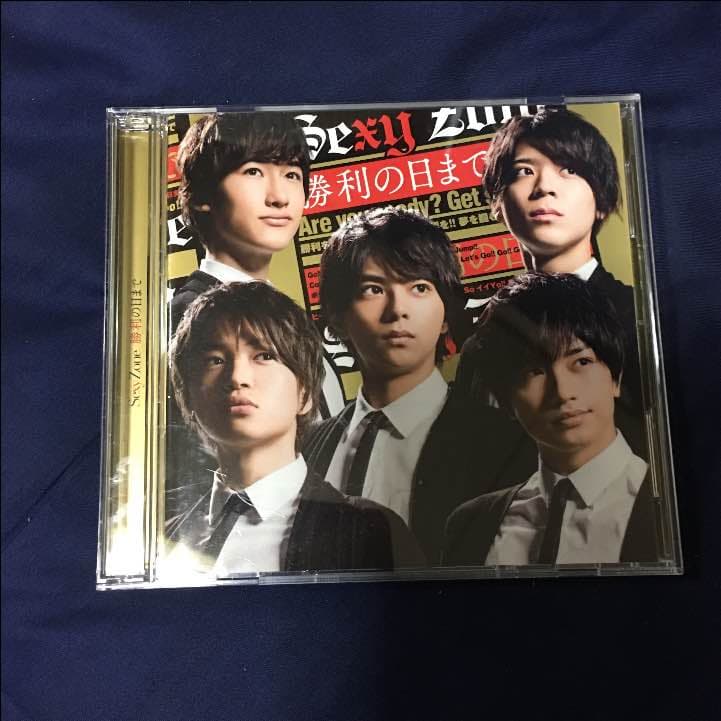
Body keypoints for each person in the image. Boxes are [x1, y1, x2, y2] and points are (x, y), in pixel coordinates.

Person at [303, 207, 536, 564]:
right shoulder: (307, 446)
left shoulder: (506, 445)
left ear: (446, 315)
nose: (398, 310)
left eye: (420, 288)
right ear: (337, 317)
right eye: (373, 289)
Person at [165, 282, 421, 576]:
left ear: (305, 393)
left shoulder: (370, 530)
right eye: (215, 360)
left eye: (264, 356)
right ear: (188, 396)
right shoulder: (164, 540)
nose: (237, 377)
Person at [444, 272, 658, 567]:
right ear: (506, 401)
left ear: (615, 378)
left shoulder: (666, 506)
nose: (563, 392)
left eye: (581, 362)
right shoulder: (471, 524)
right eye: (534, 371)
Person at [479, 107, 645, 453]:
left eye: (568, 169)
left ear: (602, 202)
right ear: (498, 203)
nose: (544, 188)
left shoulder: (638, 316)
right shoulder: (487, 336)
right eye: (524, 171)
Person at [170, 111, 344, 415]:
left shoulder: (291, 319)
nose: (279, 197)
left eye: (291, 175)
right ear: (202, 195)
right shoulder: (188, 319)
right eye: (253, 171)